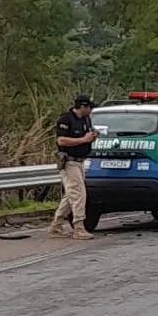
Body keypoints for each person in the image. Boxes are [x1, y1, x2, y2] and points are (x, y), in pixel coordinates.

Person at [49, 94, 98, 240]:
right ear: (82, 107)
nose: (91, 110)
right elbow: (61, 140)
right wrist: (83, 139)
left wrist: (93, 136)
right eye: (89, 107)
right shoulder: (66, 119)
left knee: (71, 194)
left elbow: (86, 136)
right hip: (69, 161)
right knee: (79, 194)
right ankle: (78, 227)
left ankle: (56, 225)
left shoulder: (86, 120)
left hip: (81, 161)